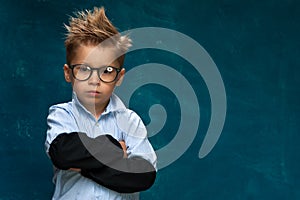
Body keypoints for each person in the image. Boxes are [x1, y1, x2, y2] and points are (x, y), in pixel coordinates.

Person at [45, 6, 157, 200]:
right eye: (84, 69)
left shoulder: (130, 121)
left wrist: (82, 165)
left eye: (106, 71)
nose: (94, 80)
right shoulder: (62, 114)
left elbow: (142, 176)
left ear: (119, 77)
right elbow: (62, 152)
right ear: (68, 73)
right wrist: (113, 148)